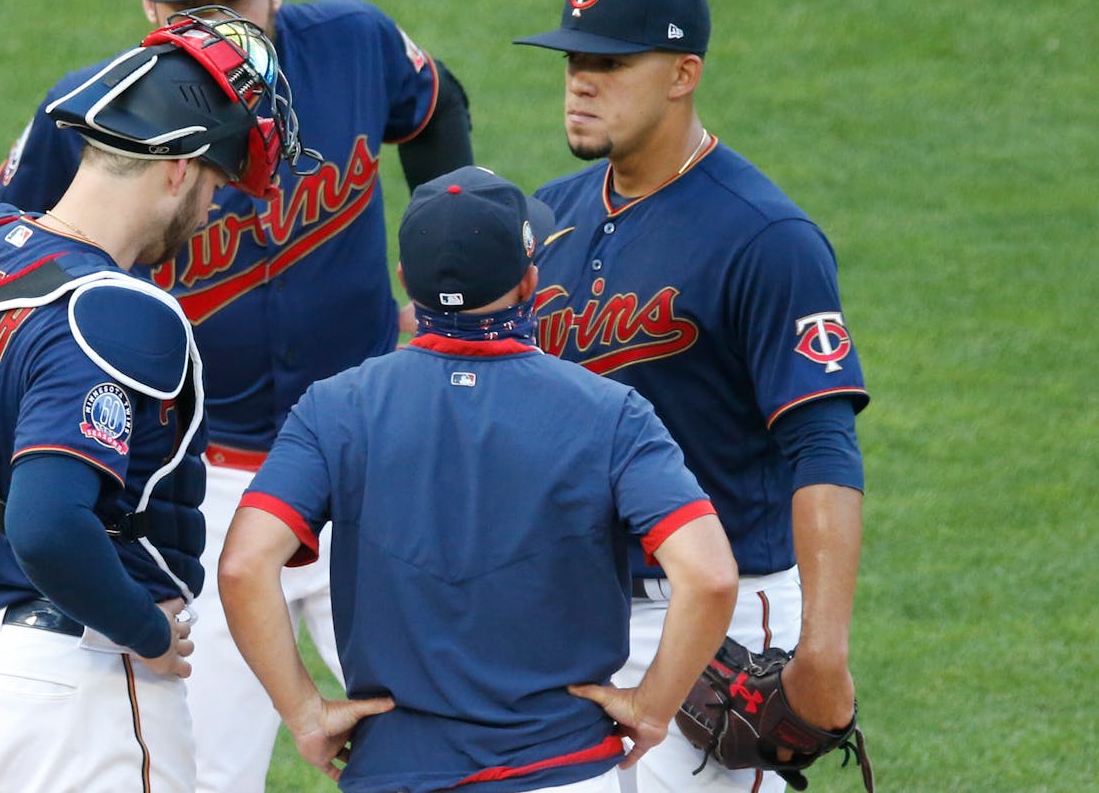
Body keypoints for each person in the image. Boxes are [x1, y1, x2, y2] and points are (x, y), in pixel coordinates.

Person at [0, 0, 475, 793]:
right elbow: (3, 257)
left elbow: (438, 109)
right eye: (185, 9)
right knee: (203, 771)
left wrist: (449, 290)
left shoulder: (356, 46)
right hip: (197, 486)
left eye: (234, 4)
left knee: (453, 737)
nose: (212, 28)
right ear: (145, 2)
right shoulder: (91, 116)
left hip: (374, 455)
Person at [218, 166, 739, 793]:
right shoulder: (611, 414)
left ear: (408, 284)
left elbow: (245, 567)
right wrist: (653, 706)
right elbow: (708, 575)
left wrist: (304, 713)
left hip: (396, 772)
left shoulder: (335, 408)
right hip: (564, 770)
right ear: (530, 282)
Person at [513, 0, 871, 793]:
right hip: (570, 621)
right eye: (573, 59)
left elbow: (822, 444)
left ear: (683, 73)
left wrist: (823, 648)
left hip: (717, 621)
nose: (581, 81)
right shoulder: (550, 218)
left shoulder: (765, 237)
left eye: (610, 62)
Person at [0, 11, 307, 792]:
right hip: (82, 677)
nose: (210, 212)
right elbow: (48, 522)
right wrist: (144, 634)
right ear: (176, 168)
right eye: (215, 186)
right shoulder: (119, 312)